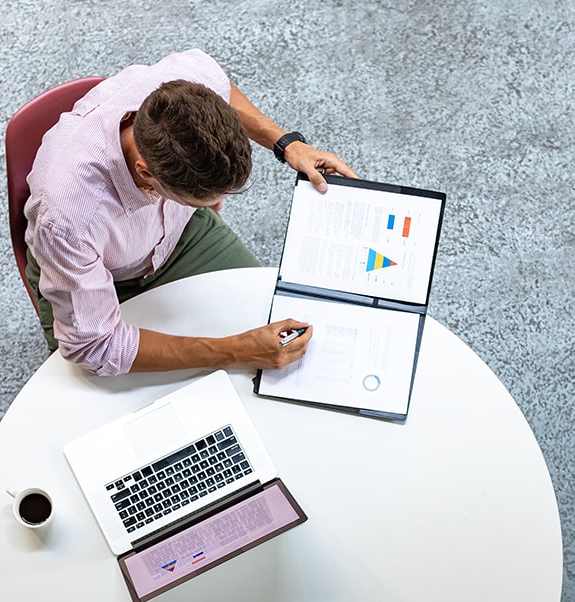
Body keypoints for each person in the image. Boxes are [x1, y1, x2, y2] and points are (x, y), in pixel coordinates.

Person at [24, 49, 357, 375]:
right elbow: (96, 347)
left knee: (279, 328)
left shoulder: (183, 83)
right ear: (145, 174)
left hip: (182, 237)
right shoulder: (68, 218)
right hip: (99, 271)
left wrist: (286, 144)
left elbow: (220, 86)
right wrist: (234, 350)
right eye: (199, 201)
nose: (218, 209)